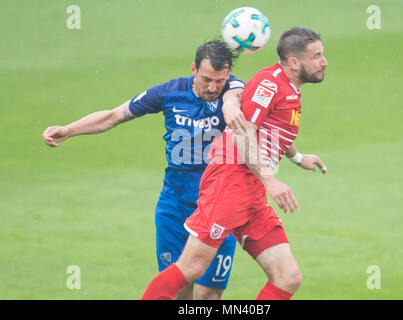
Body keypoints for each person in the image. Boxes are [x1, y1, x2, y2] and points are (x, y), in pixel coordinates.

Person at [41, 40, 248, 300]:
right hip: (176, 205)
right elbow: (114, 116)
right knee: (177, 291)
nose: (212, 87)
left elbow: (257, 107)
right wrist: (69, 130)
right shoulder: (169, 93)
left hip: (219, 208)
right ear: (193, 69)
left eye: (220, 80)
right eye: (206, 79)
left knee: (209, 296)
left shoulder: (237, 92)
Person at [140, 27, 328, 300]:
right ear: (294, 62)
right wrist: (270, 179)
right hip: (229, 183)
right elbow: (243, 131)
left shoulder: (287, 88)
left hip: (250, 192)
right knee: (191, 268)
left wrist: (297, 158)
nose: (324, 61)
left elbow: (273, 131)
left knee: (288, 277)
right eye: (317, 56)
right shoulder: (270, 85)